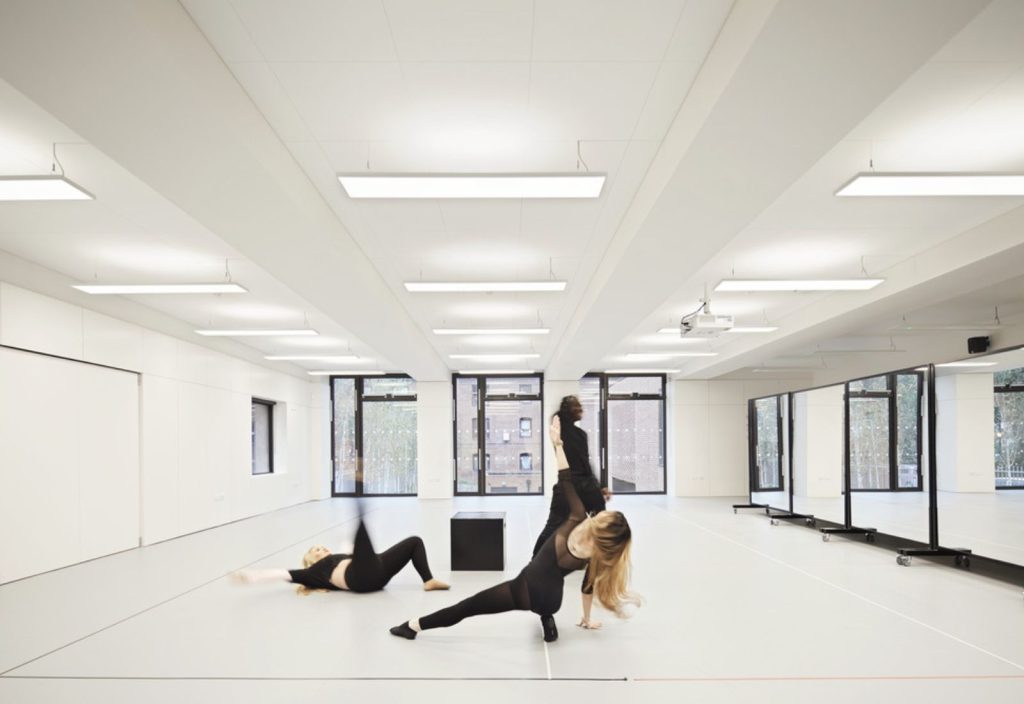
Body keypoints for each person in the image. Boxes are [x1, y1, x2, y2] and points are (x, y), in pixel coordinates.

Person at [389, 415, 638, 642]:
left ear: (599, 522)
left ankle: (412, 626)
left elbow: (565, 476)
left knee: (468, 607)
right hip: (553, 600)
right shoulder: (595, 557)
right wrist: (585, 618)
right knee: (546, 604)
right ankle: (547, 619)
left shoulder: (576, 516)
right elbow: (587, 587)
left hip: (524, 590)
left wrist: (557, 444)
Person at [531, 395, 612, 638]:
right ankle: (585, 566)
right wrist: (599, 487)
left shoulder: (560, 430)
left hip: (567, 486)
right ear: (572, 411)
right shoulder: (575, 434)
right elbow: (586, 466)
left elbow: (572, 460)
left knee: (554, 526)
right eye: (578, 408)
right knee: (599, 534)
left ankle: (536, 561)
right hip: (583, 487)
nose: (582, 411)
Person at [232, 517, 450, 595]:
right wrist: (251, 577)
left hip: (378, 571)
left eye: (320, 547)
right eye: (315, 550)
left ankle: (428, 580)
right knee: (360, 540)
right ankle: (360, 507)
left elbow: (348, 546)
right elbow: (282, 573)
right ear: (312, 560)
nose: (321, 549)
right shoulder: (312, 573)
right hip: (360, 579)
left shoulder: (339, 556)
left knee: (414, 541)